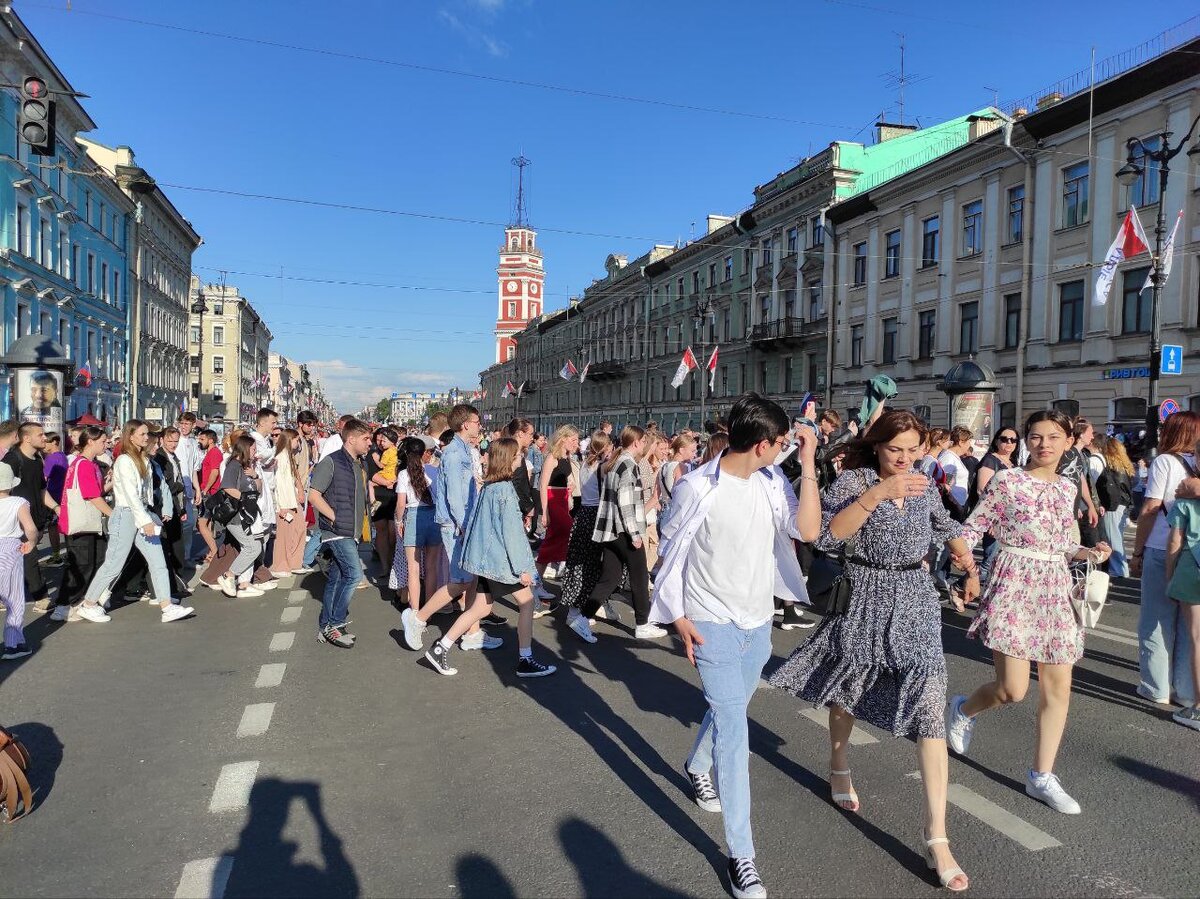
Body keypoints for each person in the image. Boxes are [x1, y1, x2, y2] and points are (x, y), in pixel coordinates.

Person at [769, 410, 978, 893]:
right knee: (849, 690)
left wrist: (968, 562)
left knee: (929, 703)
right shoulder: (857, 479)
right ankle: (839, 763)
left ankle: (936, 835)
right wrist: (877, 494)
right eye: (895, 449)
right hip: (865, 595)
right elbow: (825, 535)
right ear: (878, 447)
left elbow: (946, 525)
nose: (904, 458)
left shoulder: (924, 481)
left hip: (917, 599)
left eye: (912, 449)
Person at [652, 394, 821, 899]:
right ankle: (742, 858)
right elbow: (670, 547)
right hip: (710, 621)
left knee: (734, 708)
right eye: (784, 444)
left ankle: (695, 764)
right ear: (763, 443)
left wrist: (809, 464)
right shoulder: (696, 487)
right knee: (734, 731)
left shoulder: (772, 482)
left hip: (757, 620)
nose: (786, 450)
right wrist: (678, 616)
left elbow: (807, 529)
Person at [946, 410, 1112, 817]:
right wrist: (966, 564)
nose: (1044, 444)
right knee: (1013, 690)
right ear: (1025, 441)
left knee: (1058, 689)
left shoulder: (1067, 487)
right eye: (1036, 437)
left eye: (1053, 437)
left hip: (1055, 588)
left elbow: (1060, 543)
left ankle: (1042, 776)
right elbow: (973, 527)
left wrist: (1087, 551)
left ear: (1068, 441)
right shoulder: (1008, 480)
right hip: (1014, 585)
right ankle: (963, 709)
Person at [423, 437, 557, 678]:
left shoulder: (489, 486)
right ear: (509, 459)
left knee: (480, 609)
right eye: (517, 455)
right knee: (526, 603)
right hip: (501, 562)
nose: (520, 459)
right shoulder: (504, 489)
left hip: (488, 562)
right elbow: (511, 534)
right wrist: (523, 568)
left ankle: (440, 647)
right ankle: (525, 659)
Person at [400, 405, 500, 654]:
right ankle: (418, 618)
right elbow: (456, 497)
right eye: (477, 422)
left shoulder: (464, 449)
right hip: (457, 526)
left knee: (472, 578)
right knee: (460, 581)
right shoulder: (455, 453)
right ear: (466, 424)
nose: (481, 426)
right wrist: (465, 527)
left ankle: (473, 632)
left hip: (464, 523)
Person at [76, 420, 194, 624]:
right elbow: (131, 495)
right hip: (126, 515)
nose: (147, 438)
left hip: (142, 514)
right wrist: (145, 520)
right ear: (130, 436)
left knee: (158, 562)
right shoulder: (124, 461)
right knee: (114, 564)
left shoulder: (144, 460)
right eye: (142, 434)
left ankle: (167, 607)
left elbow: (147, 494)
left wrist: (151, 516)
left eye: (147, 434)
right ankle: (88, 604)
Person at [1130, 411, 1200, 707]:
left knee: (1156, 621)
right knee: (1190, 628)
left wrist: (1137, 551)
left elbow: (1151, 507)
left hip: (1162, 546)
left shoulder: (1164, 461)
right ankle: (1186, 691)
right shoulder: (1196, 463)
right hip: (1192, 551)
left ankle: (1155, 686)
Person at [588, 426, 662, 640]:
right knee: (639, 577)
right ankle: (642, 623)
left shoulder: (616, 462)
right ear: (637, 442)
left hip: (611, 529)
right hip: (625, 530)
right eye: (644, 442)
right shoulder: (628, 464)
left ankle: (583, 616)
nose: (645, 446)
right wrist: (635, 534)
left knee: (610, 578)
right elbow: (627, 504)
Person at [307, 418, 372, 648]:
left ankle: (327, 625)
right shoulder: (331, 462)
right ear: (351, 439)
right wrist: (333, 516)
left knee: (336, 578)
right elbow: (314, 495)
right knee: (354, 575)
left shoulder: (358, 463)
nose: (369, 443)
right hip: (337, 531)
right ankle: (334, 624)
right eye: (365, 439)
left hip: (350, 530)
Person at [559, 431, 614, 642]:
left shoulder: (585, 464)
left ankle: (578, 608)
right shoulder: (599, 467)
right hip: (594, 516)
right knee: (589, 565)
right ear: (605, 448)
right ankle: (577, 611)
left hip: (584, 514)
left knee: (580, 563)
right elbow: (604, 494)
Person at [52, 426, 111, 620]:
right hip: (81, 523)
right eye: (103, 441)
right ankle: (64, 605)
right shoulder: (84, 464)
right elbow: (92, 495)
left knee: (94, 560)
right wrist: (112, 514)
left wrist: (112, 482)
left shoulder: (87, 463)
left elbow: (97, 491)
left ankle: (80, 600)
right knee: (81, 564)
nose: (106, 444)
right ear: (91, 442)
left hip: (88, 522)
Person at [1164, 438, 1200, 731]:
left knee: (1197, 639)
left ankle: (1199, 709)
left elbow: (1175, 541)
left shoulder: (1186, 497)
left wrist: (1169, 576)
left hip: (1191, 568)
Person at [4, 422, 58, 611]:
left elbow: (42, 490)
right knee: (30, 557)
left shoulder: (37, 460)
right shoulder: (12, 460)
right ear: (26, 438)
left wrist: (56, 507)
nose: (45, 438)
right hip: (16, 520)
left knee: (13, 560)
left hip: (36, 517)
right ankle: (41, 597)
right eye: (40, 434)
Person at [393, 436, 442, 613]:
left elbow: (400, 504)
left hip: (413, 516)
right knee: (431, 567)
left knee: (413, 569)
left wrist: (399, 521)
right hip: (434, 516)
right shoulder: (433, 471)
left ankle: (415, 611)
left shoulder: (404, 474)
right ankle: (429, 609)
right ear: (424, 453)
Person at [0, 461, 39, 659]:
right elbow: (30, 528)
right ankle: (12, 644)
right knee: (13, 599)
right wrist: (31, 543)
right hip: (9, 547)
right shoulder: (18, 502)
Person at [535, 425, 578, 598]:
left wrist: (568, 492)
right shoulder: (552, 457)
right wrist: (544, 512)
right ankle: (538, 581)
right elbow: (543, 485)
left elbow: (561, 481)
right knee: (564, 535)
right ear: (563, 438)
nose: (576, 443)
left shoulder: (567, 457)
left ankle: (538, 581)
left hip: (561, 499)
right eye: (573, 440)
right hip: (552, 501)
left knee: (554, 540)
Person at [1094, 435, 1134, 579]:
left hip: (1114, 505)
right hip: (1122, 505)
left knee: (1113, 539)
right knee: (1116, 537)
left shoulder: (1112, 468)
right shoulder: (1123, 466)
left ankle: (1119, 570)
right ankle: (1120, 569)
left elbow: (1110, 490)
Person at [268, 429, 306, 577]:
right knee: (284, 535)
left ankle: (294, 562)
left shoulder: (288, 456)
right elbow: (277, 483)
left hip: (291, 499)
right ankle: (280, 566)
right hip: (284, 502)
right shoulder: (281, 456)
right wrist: (279, 506)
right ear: (290, 440)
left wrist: (299, 492)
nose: (298, 443)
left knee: (299, 530)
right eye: (297, 440)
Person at [1057, 418, 1100, 548]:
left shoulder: (1079, 454)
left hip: (1074, 513)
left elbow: (1081, 481)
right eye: (1090, 432)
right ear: (1081, 434)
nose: (1092, 437)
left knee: (1074, 547)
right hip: (1062, 513)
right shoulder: (1065, 453)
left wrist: (1090, 506)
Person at [42, 432, 67, 566]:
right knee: (55, 527)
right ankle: (58, 555)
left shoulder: (50, 458)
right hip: (61, 497)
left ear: (55, 442)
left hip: (51, 497)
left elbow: (43, 479)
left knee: (46, 528)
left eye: (46, 442)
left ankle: (56, 556)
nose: (43, 444)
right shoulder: (63, 456)